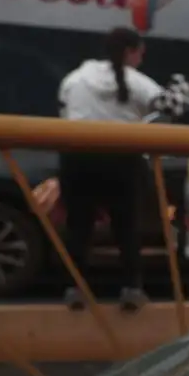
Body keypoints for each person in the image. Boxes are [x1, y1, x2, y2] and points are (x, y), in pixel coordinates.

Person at [56, 27, 163, 311]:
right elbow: (165, 106)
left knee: (79, 226)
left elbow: (64, 114)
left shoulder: (74, 79)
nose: (141, 59)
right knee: (127, 227)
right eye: (141, 53)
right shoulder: (138, 81)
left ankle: (74, 289)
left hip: (77, 159)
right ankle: (131, 288)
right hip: (123, 161)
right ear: (130, 52)